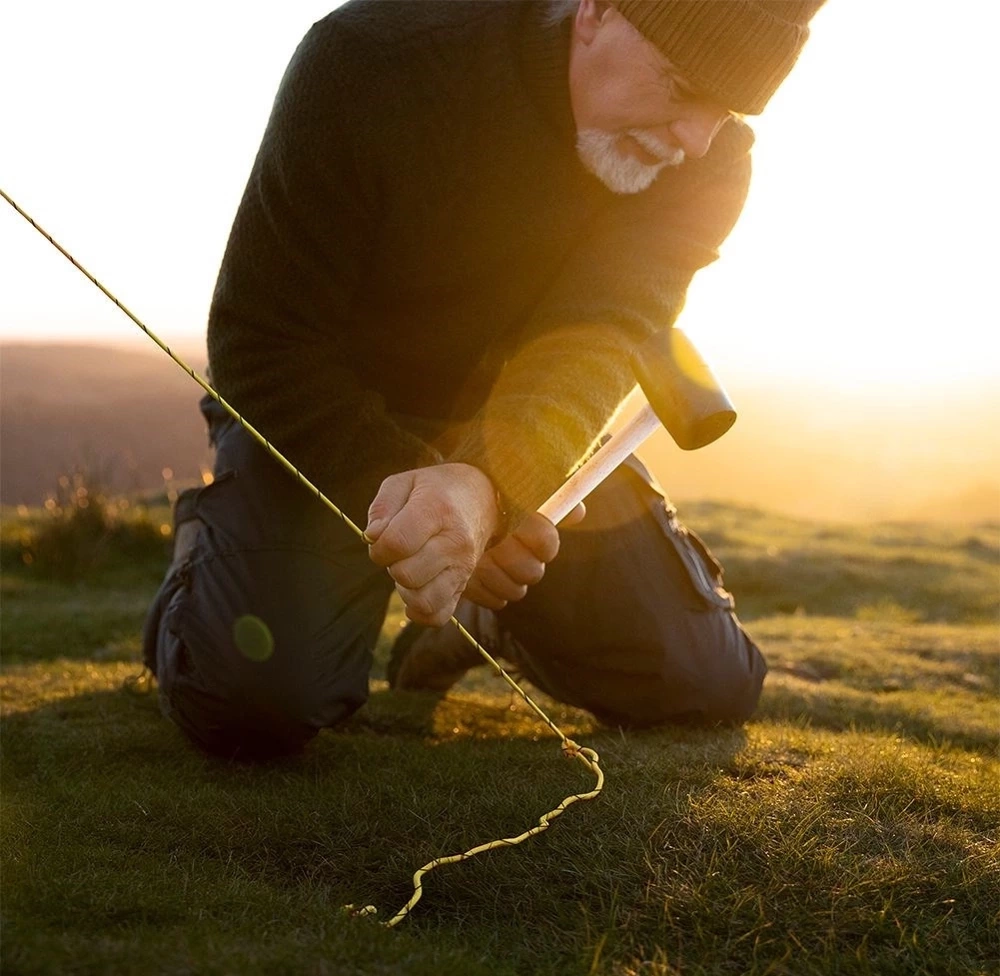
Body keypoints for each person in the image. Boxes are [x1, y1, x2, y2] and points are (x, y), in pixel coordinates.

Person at [143, 0, 824, 760]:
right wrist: (441, 502)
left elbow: (599, 335)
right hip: (323, 413)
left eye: (726, 110)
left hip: (526, 429)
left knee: (705, 683)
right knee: (253, 701)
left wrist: (493, 489)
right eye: (680, 86)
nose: (696, 139)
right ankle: (202, 577)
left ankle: (486, 622)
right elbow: (261, 338)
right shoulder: (371, 62)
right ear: (596, 10)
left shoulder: (712, 163)